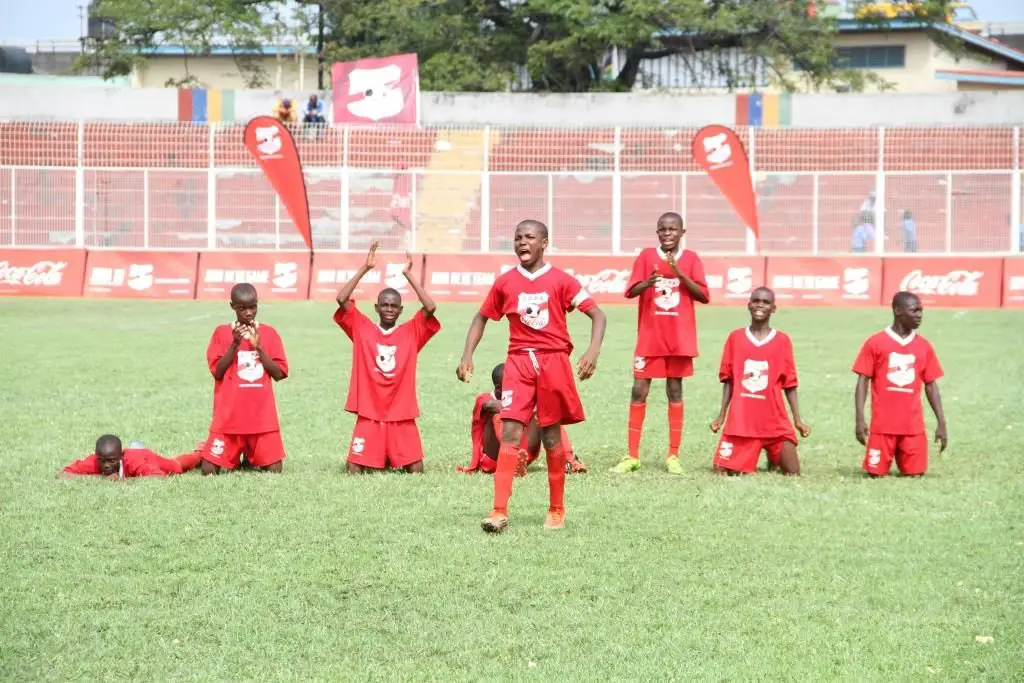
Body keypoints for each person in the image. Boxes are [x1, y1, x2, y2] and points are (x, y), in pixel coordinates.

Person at [456, 219, 607, 533]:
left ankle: (556, 509)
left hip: (554, 363)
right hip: (519, 362)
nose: (522, 242)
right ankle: (498, 511)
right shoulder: (505, 282)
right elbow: (481, 317)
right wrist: (467, 355)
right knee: (511, 431)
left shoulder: (561, 280)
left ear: (544, 243)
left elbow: (598, 315)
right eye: (517, 238)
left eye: (529, 237)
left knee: (551, 435)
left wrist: (592, 352)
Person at [611, 211, 710, 475]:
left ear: (682, 233)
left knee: (675, 391)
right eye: (663, 229)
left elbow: (703, 296)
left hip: (679, 340)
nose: (667, 233)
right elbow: (630, 291)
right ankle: (632, 455)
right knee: (639, 390)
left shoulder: (691, 259)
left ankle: (673, 455)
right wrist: (647, 283)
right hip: (650, 338)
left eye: (672, 229)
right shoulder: (646, 256)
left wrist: (680, 273)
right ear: (657, 232)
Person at [334, 242, 440, 474]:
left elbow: (430, 307)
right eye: (384, 305)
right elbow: (341, 299)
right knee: (353, 468)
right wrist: (365, 268)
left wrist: (408, 275)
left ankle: (389, 456)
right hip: (370, 411)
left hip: (400, 411)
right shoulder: (362, 328)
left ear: (400, 310)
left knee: (416, 469)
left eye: (394, 306)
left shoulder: (411, 332)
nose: (389, 309)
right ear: (376, 308)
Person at [709, 288, 810, 476]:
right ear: (749, 305)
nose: (760, 305)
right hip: (742, 423)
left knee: (792, 472)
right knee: (721, 471)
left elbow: (790, 384)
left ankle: (773, 455)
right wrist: (721, 416)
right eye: (756, 301)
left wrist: (798, 420)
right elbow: (729, 380)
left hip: (774, 422)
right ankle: (755, 452)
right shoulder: (735, 338)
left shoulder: (782, 341)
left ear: (773, 308)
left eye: (765, 302)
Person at [853, 291, 948, 477]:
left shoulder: (924, 346)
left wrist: (941, 422)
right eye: (914, 310)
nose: (919, 315)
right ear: (898, 311)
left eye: (921, 311)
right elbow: (862, 381)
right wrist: (860, 419)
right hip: (882, 428)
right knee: (875, 474)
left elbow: (931, 385)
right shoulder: (875, 342)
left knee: (915, 474)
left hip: (912, 428)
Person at [200, 283, 289, 475]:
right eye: (242, 308)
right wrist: (234, 344)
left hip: (261, 420)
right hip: (229, 419)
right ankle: (212, 451)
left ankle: (250, 455)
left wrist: (259, 347)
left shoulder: (269, 333)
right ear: (232, 306)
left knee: (275, 470)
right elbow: (218, 373)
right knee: (208, 470)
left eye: (253, 307)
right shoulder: (221, 333)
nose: (248, 313)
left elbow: (279, 374)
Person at [460, 363, 588, 476]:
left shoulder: (523, 396)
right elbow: (489, 405)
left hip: (523, 452)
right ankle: (511, 459)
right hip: (494, 458)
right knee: (498, 415)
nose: (516, 388)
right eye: (511, 385)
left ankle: (569, 460)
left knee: (546, 414)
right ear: (498, 388)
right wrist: (522, 405)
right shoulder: (485, 398)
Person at [57, 434, 204, 480]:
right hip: (134, 454)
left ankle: (200, 452)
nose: (106, 465)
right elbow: (62, 475)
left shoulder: (133, 462)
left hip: (145, 457)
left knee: (176, 466)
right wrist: (99, 477)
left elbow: (159, 477)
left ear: (121, 456)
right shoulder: (94, 461)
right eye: (102, 461)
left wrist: (123, 480)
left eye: (111, 461)